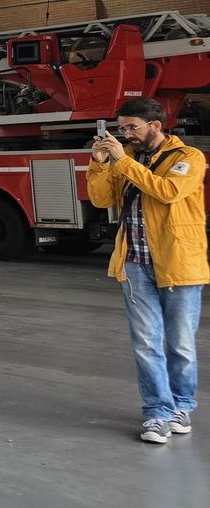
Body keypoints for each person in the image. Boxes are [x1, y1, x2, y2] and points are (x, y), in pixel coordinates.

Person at [87, 98, 207, 444]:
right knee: (146, 343)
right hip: (135, 264)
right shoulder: (128, 159)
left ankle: (181, 406)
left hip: (179, 264)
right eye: (122, 128)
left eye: (132, 128)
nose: (126, 134)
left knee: (181, 344)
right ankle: (158, 413)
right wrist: (98, 164)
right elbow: (101, 199)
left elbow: (168, 192)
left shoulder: (189, 158)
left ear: (155, 126)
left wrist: (123, 161)